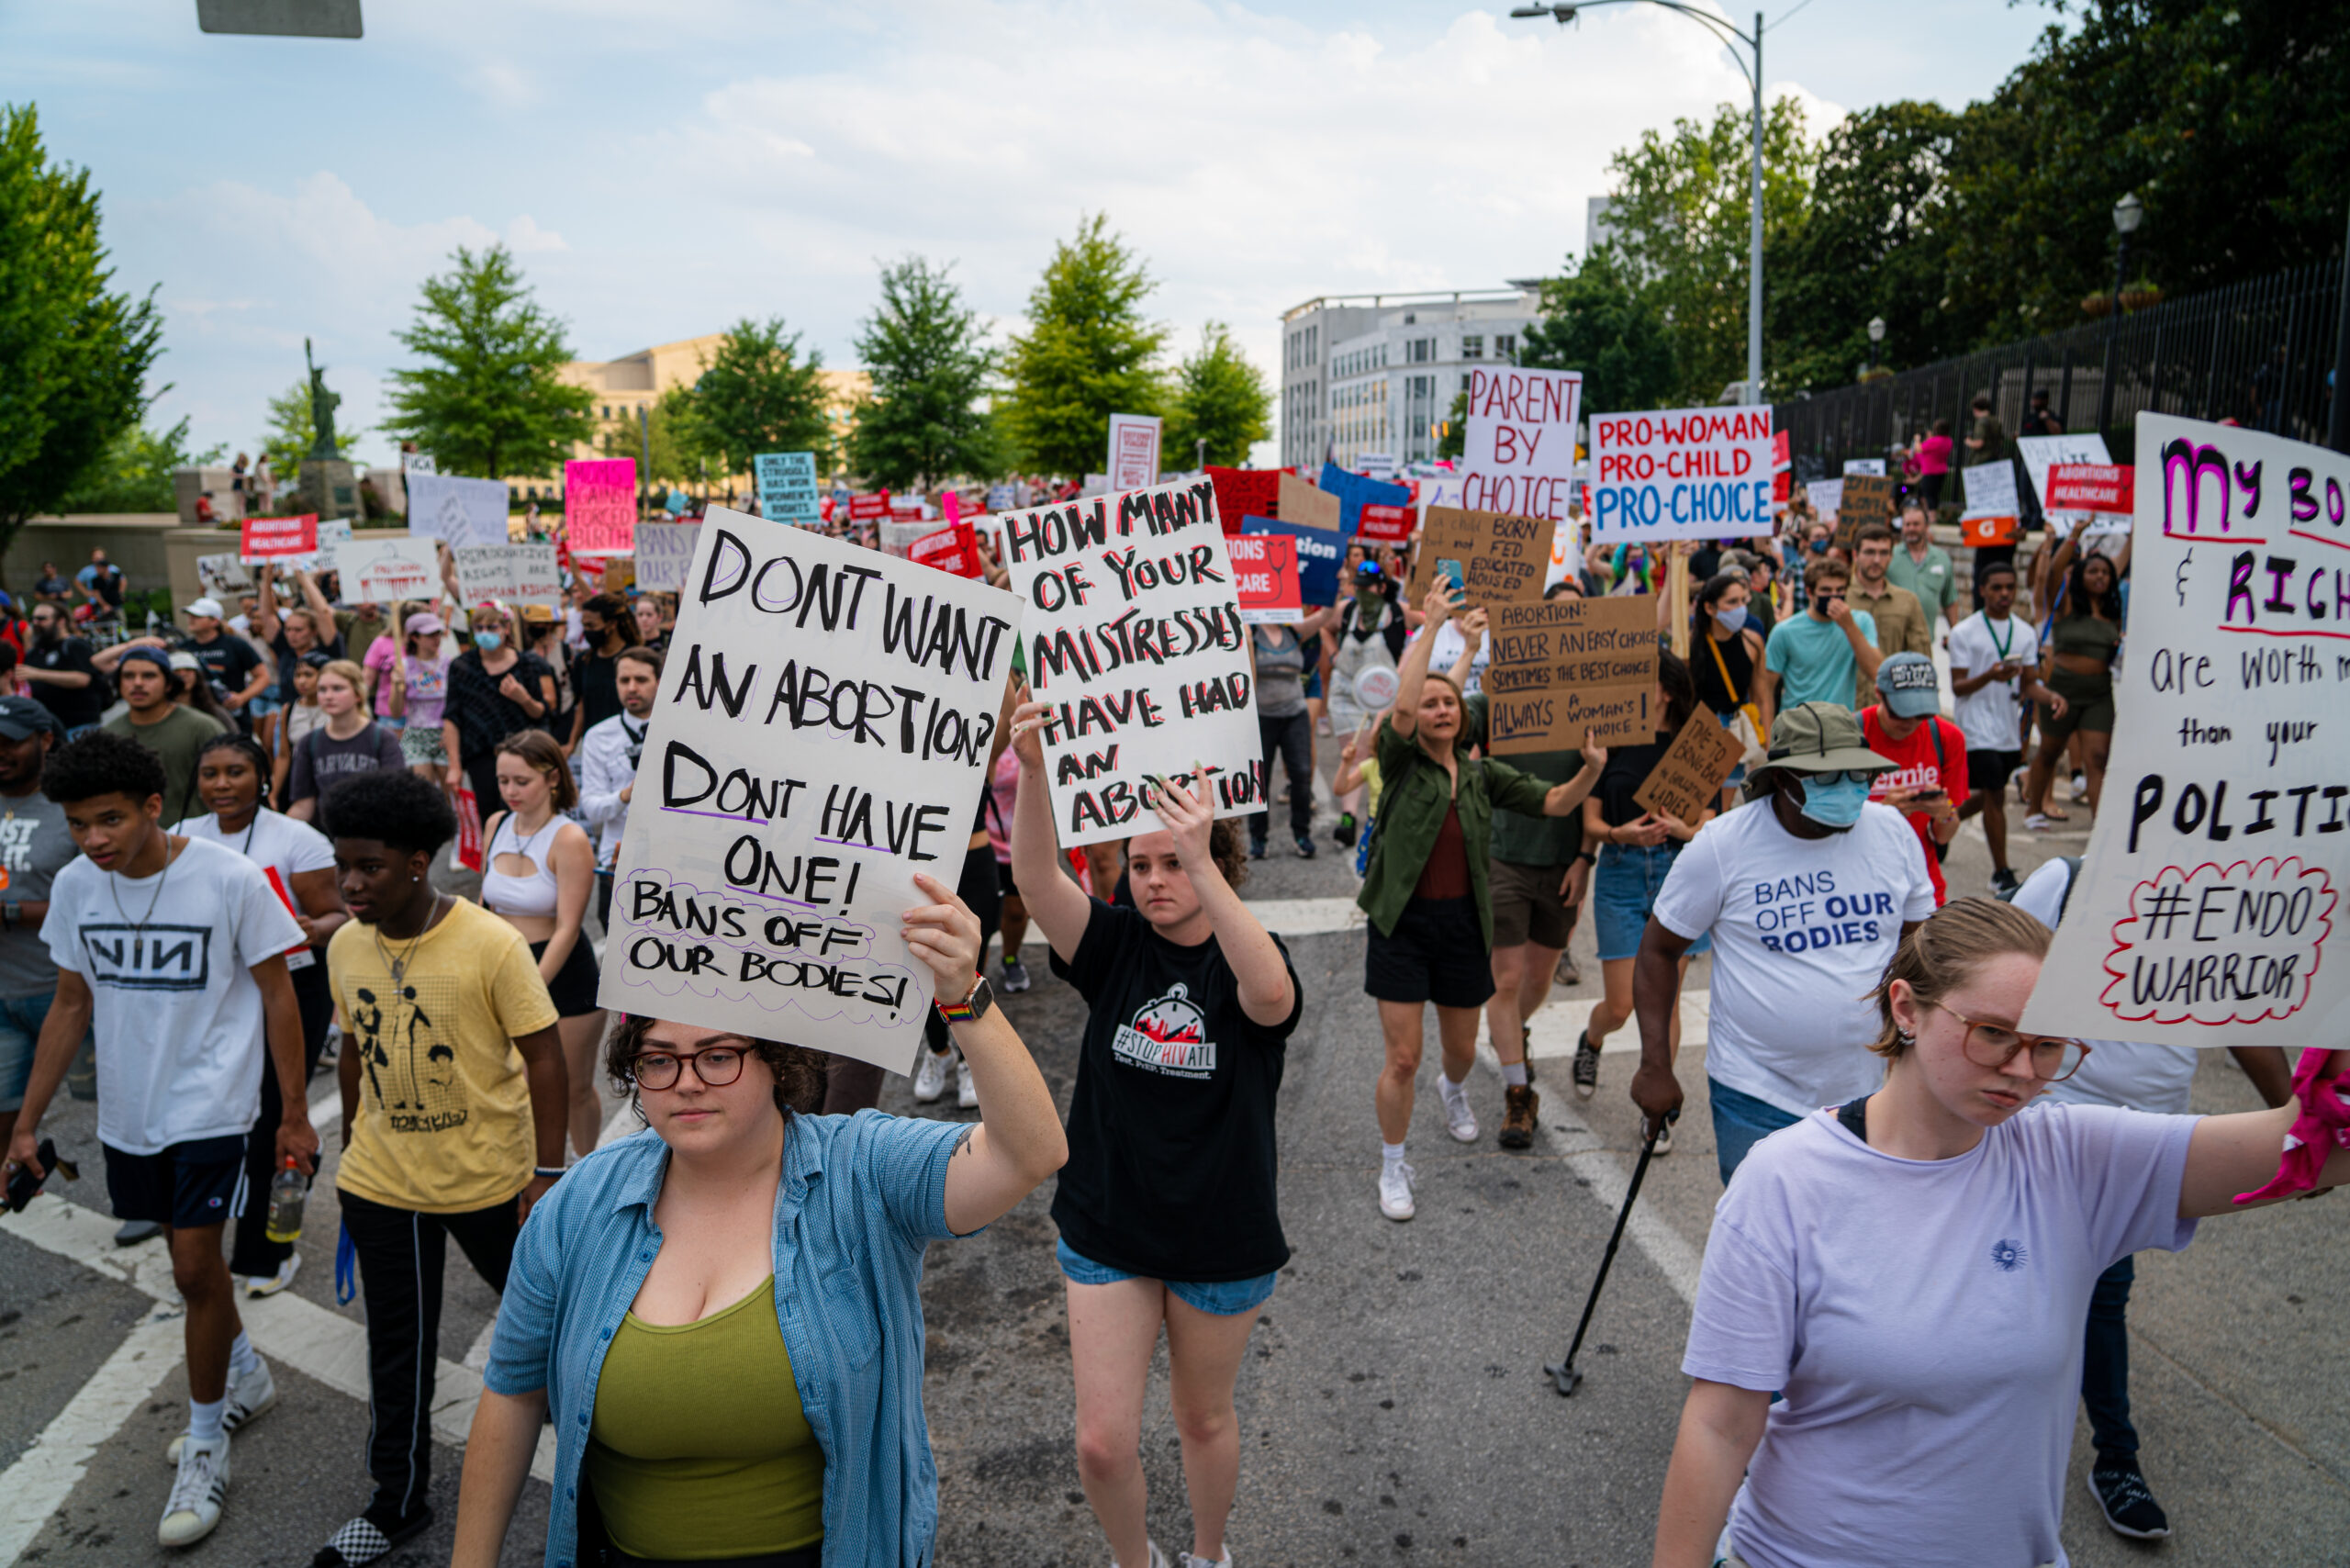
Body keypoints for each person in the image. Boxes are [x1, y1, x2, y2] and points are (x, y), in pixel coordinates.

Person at [1650, 898, 2349, 1568]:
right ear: (1906, 1009)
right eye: (1993, 1034)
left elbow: (2310, 1149)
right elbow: (1721, 1424)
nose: (2022, 1071)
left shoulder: (2072, 1157)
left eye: (2048, 1048)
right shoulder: (1785, 1180)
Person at [449, 878, 1067, 1568]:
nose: (686, 1081)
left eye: (718, 1055)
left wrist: (963, 992)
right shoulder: (578, 1206)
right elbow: (512, 1392)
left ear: (777, 1062)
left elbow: (1030, 1153)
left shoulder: (860, 1173)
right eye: (658, 1060)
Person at [1008, 689, 1299, 1568]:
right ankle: (1137, 1561)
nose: (1156, 881)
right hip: (1109, 1222)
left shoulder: (1252, 953)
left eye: (1174, 863)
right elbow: (1033, 880)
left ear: (1216, 864)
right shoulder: (1116, 945)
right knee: (1102, 1441)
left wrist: (1203, 858)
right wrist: (1032, 776)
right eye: (1140, 866)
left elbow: (1273, 1000)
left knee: (1201, 1418)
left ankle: (1209, 1555)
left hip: (1221, 1234)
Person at [4, 731, 314, 1549]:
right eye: (78, 824)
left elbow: (279, 995)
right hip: (129, 1115)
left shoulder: (229, 878)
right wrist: (29, 1123)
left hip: (215, 1108)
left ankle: (206, 1440)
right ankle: (247, 1375)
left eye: (109, 820)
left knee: (189, 1268)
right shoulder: (77, 886)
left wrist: (292, 1113)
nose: (94, 839)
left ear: (151, 807)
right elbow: (71, 1002)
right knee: (197, 1267)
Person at [316, 767, 568, 1568]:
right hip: (383, 1184)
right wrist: (355, 1142)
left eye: (371, 868)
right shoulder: (346, 946)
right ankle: (395, 1503)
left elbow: (546, 1058)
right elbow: (354, 1051)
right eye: (342, 865)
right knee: (398, 1347)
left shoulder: (489, 941)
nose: (350, 885)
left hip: (492, 1182)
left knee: (552, 1335)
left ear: (418, 861)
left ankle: (618, 1466)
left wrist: (546, 1173)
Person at [2007, 857, 2294, 1540]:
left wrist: (2295, 1125)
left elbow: (2239, 1011)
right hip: (2054, 1122)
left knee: (2100, 1294)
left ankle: (2102, 1453)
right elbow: (1997, 975)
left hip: (2151, 1137)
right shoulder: (2067, 879)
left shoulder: (2223, 900)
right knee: (2075, 1290)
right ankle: (2116, 1454)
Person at [1360, 582, 1602, 1218]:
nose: (1439, 710)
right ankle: (1393, 1164)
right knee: (1403, 1058)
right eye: (1430, 703)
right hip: (1401, 925)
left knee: (1461, 1051)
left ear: (1464, 717)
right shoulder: (1403, 759)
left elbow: (1554, 803)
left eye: (1450, 704)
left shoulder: (1481, 774)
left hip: (1464, 926)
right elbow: (1407, 709)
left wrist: (1591, 770)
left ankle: (1456, 1088)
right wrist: (1435, 629)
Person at [1629, 702, 1936, 1183]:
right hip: (1755, 1093)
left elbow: (1919, 944)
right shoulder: (1723, 845)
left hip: (1869, 1091)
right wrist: (1654, 1065)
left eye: (1857, 774)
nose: (1850, 789)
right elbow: (1658, 950)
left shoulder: (1892, 832)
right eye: (1828, 778)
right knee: (1764, 1242)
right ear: (1783, 780)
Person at [178, 732, 347, 1297]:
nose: (221, 785)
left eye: (234, 773)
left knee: (278, 1115)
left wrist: (308, 928)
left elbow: (336, 917)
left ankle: (271, 1247)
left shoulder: (297, 839)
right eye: (210, 774)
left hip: (291, 987)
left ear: (263, 780)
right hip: (217, 991)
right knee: (224, 1114)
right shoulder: (181, 837)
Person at [1465, 588, 1593, 1149]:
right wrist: (1468, 647)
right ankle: (1518, 1096)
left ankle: (1513, 1032)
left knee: (1537, 981)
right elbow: (1433, 709)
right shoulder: (1499, 698)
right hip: (1505, 857)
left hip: (1563, 861)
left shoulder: (1597, 701)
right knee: (1506, 980)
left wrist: (1586, 859)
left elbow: (1601, 796)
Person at [1565, 653, 1713, 1131]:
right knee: (1622, 1006)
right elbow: (1590, 822)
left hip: (1679, 871)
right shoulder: (1608, 738)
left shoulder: (1696, 742)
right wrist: (1617, 836)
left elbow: (1713, 820)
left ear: (1666, 691)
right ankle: (1592, 1039)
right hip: (1622, 873)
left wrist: (1682, 829)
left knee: (1666, 1001)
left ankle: (1658, 1112)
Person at [479, 730, 604, 1160]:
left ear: (552, 778)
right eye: (503, 781)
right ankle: (529, 1172)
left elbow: (569, 926)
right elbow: (485, 905)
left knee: (572, 1088)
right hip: (503, 963)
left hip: (562, 973)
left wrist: (529, 986)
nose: (510, 791)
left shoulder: (568, 837)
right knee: (515, 1084)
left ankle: (589, 1170)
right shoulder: (495, 824)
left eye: (521, 781)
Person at [1947, 562, 2063, 897]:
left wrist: (2051, 696)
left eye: (2009, 588)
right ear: (1982, 590)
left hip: (2007, 729)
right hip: (1975, 729)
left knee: (1986, 795)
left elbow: (2029, 684)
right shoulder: (1964, 632)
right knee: (1996, 794)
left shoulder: (2025, 632)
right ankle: (2001, 872)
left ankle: (1940, 823)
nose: (2004, 594)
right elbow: (1958, 686)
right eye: (1996, 588)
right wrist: (1989, 676)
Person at [0, 700, 77, 1159]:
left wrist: (12, 914)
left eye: (10, 743)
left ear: (45, 741)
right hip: (2, 992)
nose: (0, 752)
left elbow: (104, 903)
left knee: (105, 1102)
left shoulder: (70, 806)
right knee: (5, 1109)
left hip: (64, 989)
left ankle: (139, 1202)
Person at [2024, 543, 2123, 829]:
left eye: (2105, 572)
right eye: (2093, 571)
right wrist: (2074, 536)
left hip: (2098, 694)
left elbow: (2124, 556)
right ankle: (2034, 809)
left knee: (2099, 758)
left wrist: (2131, 536)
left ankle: (2101, 826)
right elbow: (2054, 572)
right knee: (2049, 752)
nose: (2100, 577)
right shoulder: (2065, 605)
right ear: (2081, 576)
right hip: (2063, 689)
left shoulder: (2112, 612)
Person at [1860, 652, 1968, 905]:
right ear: (1879, 694)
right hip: (1861, 880)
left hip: (1921, 883)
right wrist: (1881, 813)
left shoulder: (1947, 738)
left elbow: (1943, 835)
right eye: (1900, 712)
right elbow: (1827, 831)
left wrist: (1944, 812)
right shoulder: (1853, 734)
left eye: (1920, 713)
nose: (1910, 722)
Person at [442, 600, 558, 812]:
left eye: (492, 627)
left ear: (506, 629)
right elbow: (451, 718)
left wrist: (523, 698)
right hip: (481, 757)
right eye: (479, 628)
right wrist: (454, 766)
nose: (485, 633)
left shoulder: (528, 664)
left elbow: (542, 713)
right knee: (490, 819)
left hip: (523, 755)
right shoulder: (461, 666)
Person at [1326, 561, 1408, 848]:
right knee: (1355, 753)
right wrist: (1334, 655)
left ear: (1382, 588)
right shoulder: (1346, 611)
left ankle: (1384, 815)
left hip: (1384, 695)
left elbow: (1425, 631)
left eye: (1368, 587)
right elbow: (1326, 630)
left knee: (1381, 754)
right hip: (1347, 694)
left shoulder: (1398, 613)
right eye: (1358, 586)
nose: (1362, 592)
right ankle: (1348, 818)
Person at [577, 644, 659, 935]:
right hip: (617, 860)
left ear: (660, 682)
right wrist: (625, 795)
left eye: (641, 679)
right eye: (624, 681)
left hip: (668, 856)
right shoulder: (598, 736)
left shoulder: (680, 732)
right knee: (615, 935)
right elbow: (592, 809)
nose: (632, 688)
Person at [102, 645, 225, 826]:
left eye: (148, 676)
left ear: (168, 684)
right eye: (128, 676)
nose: (137, 683)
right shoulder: (108, 735)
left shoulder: (202, 727)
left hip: (193, 838)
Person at [1757, 555, 1881, 716]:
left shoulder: (1860, 621)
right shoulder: (1785, 631)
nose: (1834, 596)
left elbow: (1875, 671)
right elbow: (1766, 689)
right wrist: (1768, 738)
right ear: (1810, 592)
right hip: (1798, 725)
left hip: (1839, 725)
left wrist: (1849, 627)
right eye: (1826, 590)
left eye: (1840, 590)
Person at [284, 659, 404, 823]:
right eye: (322, 690)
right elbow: (303, 805)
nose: (328, 696)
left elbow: (396, 798)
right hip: (326, 838)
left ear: (358, 694)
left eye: (338, 689)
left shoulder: (383, 739)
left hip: (372, 835)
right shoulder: (308, 743)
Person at [1689, 569, 1770, 807]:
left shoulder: (1752, 641)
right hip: (1699, 731)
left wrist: (1767, 739)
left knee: (1725, 804)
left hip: (1733, 731)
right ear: (1710, 608)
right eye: (1732, 602)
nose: (1740, 609)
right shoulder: (1691, 645)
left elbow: (1761, 696)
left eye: (1743, 601)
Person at [1248, 614, 1323, 860]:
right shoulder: (1250, 632)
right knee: (1259, 779)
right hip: (1261, 715)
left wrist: (1337, 579)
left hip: (1294, 714)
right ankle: (1258, 838)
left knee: (1301, 775)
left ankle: (1302, 835)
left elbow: (1326, 615)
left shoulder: (1294, 630)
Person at [1843, 523, 1930, 700]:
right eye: (1869, 552)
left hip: (1890, 706)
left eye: (1883, 553)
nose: (1876, 560)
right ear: (1855, 555)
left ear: (1891, 556)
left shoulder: (1907, 601)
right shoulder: (1840, 597)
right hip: (1846, 704)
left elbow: (1920, 660)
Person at [386, 610, 454, 788]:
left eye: (438, 633)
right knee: (424, 790)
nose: (436, 639)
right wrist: (396, 686)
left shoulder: (450, 664)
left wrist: (451, 733)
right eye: (430, 635)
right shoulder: (404, 666)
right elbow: (395, 712)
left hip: (444, 733)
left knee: (451, 792)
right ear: (415, 638)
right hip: (415, 734)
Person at [21, 599, 106, 738]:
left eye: (42, 619)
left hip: (79, 726)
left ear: (60, 621)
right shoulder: (35, 651)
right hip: (48, 728)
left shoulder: (74, 646)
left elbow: (82, 679)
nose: (36, 623)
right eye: (33, 619)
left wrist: (38, 674)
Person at [183, 596, 272, 724]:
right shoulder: (184, 647)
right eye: (190, 615)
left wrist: (242, 698)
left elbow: (263, 676)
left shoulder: (235, 644)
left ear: (214, 621)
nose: (191, 619)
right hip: (195, 718)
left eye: (197, 616)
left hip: (234, 719)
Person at [565, 591, 630, 756]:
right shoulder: (583, 661)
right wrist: (572, 743)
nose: (586, 631)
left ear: (611, 624)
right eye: (584, 625)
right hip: (595, 746)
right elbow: (582, 704)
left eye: (591, 626)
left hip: (627, 745)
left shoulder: (632, 658)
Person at [1886, 503, 1958, 629]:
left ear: (1926, 527)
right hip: (1893, 638)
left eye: (1916, 524)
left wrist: (1955, 632)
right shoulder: (1889, 556)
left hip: (1925, 639)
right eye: (1907, 525)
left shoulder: (1941, 559)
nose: (1911, 528)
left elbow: (1949, 600)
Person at [271, 651, 330, 803]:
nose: (302, 681)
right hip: (299, 779)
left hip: (327, 779)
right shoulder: (289, 710)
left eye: (309, 675)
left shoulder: (334, 708)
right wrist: (274, 794)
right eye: (298, 675)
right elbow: (284, 755)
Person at [1909, 418, 1953, 513]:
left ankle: (1931, 518)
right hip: (1941, 471)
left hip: (1930, 471)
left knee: (1928, 495)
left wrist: (1917, 439)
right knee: (1932, 494)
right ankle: (1928, 515)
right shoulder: (1948, 440)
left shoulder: (1934, 441)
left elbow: (1918, 448)